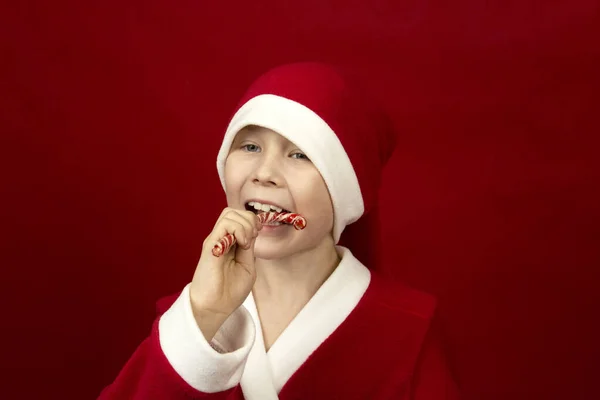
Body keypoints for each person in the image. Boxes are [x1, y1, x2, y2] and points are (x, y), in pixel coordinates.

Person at [99, 62, 460, 399]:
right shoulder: (184, 320)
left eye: (300, 154)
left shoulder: (408, 329)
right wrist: (204, 316)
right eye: (250, 146)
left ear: (346, 191)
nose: (264, 173)